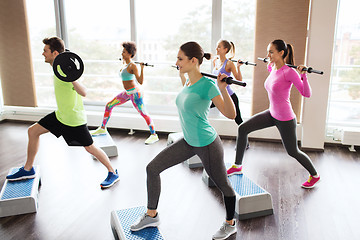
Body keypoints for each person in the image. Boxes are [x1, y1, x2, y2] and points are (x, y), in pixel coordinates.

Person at [130, 41, 237, 240]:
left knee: (223, 185)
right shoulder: (189, 81)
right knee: (152, 169)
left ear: (193, 60)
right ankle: (151, 215)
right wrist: (182, 72)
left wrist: (223, 89)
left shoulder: (208, 85)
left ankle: (230, 224)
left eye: (180, 59)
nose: (177, 62)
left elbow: (231, 114)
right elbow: (189, 97)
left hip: (206, 143)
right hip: (188, 141)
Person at [6, 37, 119, 189]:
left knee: (90, 147)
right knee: (33, 131)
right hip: (60, 116)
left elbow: (84, 92)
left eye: (45, 51)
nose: (42, 53)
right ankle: (28, 169)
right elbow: (66, 58)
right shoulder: (57, 66)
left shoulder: (65, 71)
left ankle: (113, 172)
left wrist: (72, 77)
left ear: (55, 53)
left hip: (73, 120)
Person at [226, 39, 320, 189]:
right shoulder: (273, 68)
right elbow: (272, 71)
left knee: (293, 151)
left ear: (281, 53)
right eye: (268, 51)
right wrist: (270, 61)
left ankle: (315, 175)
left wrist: (303, 75)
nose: (268, 55)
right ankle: (237, 166)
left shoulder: (289, 72)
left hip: (285, 118)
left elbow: (306, 93)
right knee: (243, 128)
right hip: (272, 113)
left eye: (271, 52)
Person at [90, 41, 159, 145]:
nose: (122, 54)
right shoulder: (125, 64)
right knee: (109, 105)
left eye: (124, 52)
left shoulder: (132, 66)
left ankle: (154, 135)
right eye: (122, 51)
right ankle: (103, 128)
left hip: (135, 94)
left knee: (144, 113)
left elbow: (140, 81)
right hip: (127, 93)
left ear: (130, 54)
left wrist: (142, 68)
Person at [212, 40, 244, 125]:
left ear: (225, 49)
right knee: (203, 107)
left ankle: (244, 136)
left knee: (238, 120)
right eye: (217, 46)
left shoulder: (229, 63)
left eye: (219, 47)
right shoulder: (216, 61)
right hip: (217, 95)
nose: (216, 49)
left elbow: (239, 79)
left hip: (229, 95)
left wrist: (238, 67)